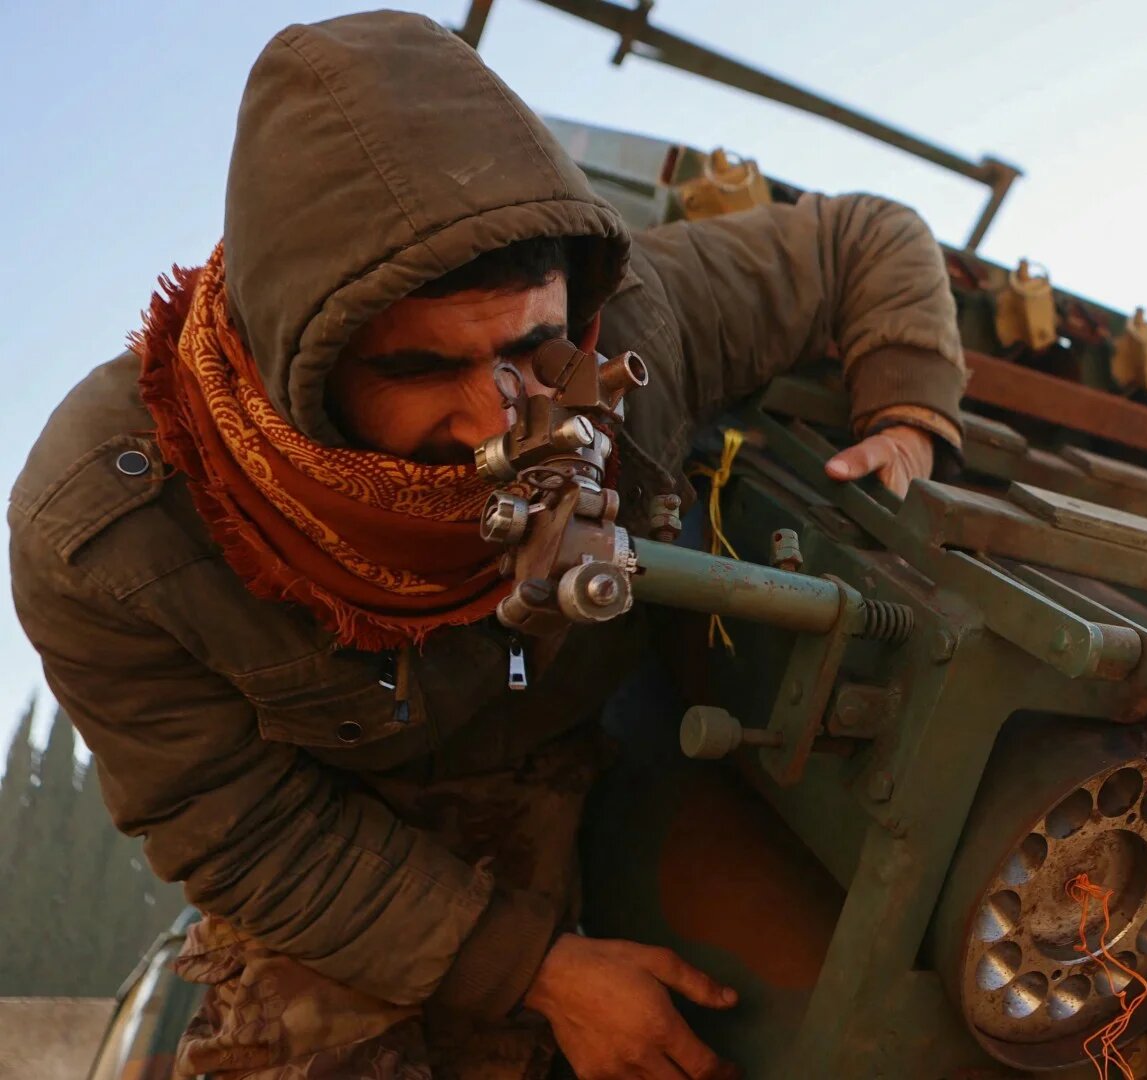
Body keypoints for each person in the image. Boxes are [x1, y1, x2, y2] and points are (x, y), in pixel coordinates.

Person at [9, 11, 966, 1080]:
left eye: (530, 350)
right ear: (299, 361)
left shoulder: (641, 317)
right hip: (348, 836)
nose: (490, 421)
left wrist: (908, 415)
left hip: (592, 764)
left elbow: (862, 237)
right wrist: (542, 972)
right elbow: (234, 828)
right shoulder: (107, 530)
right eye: (419, 369)